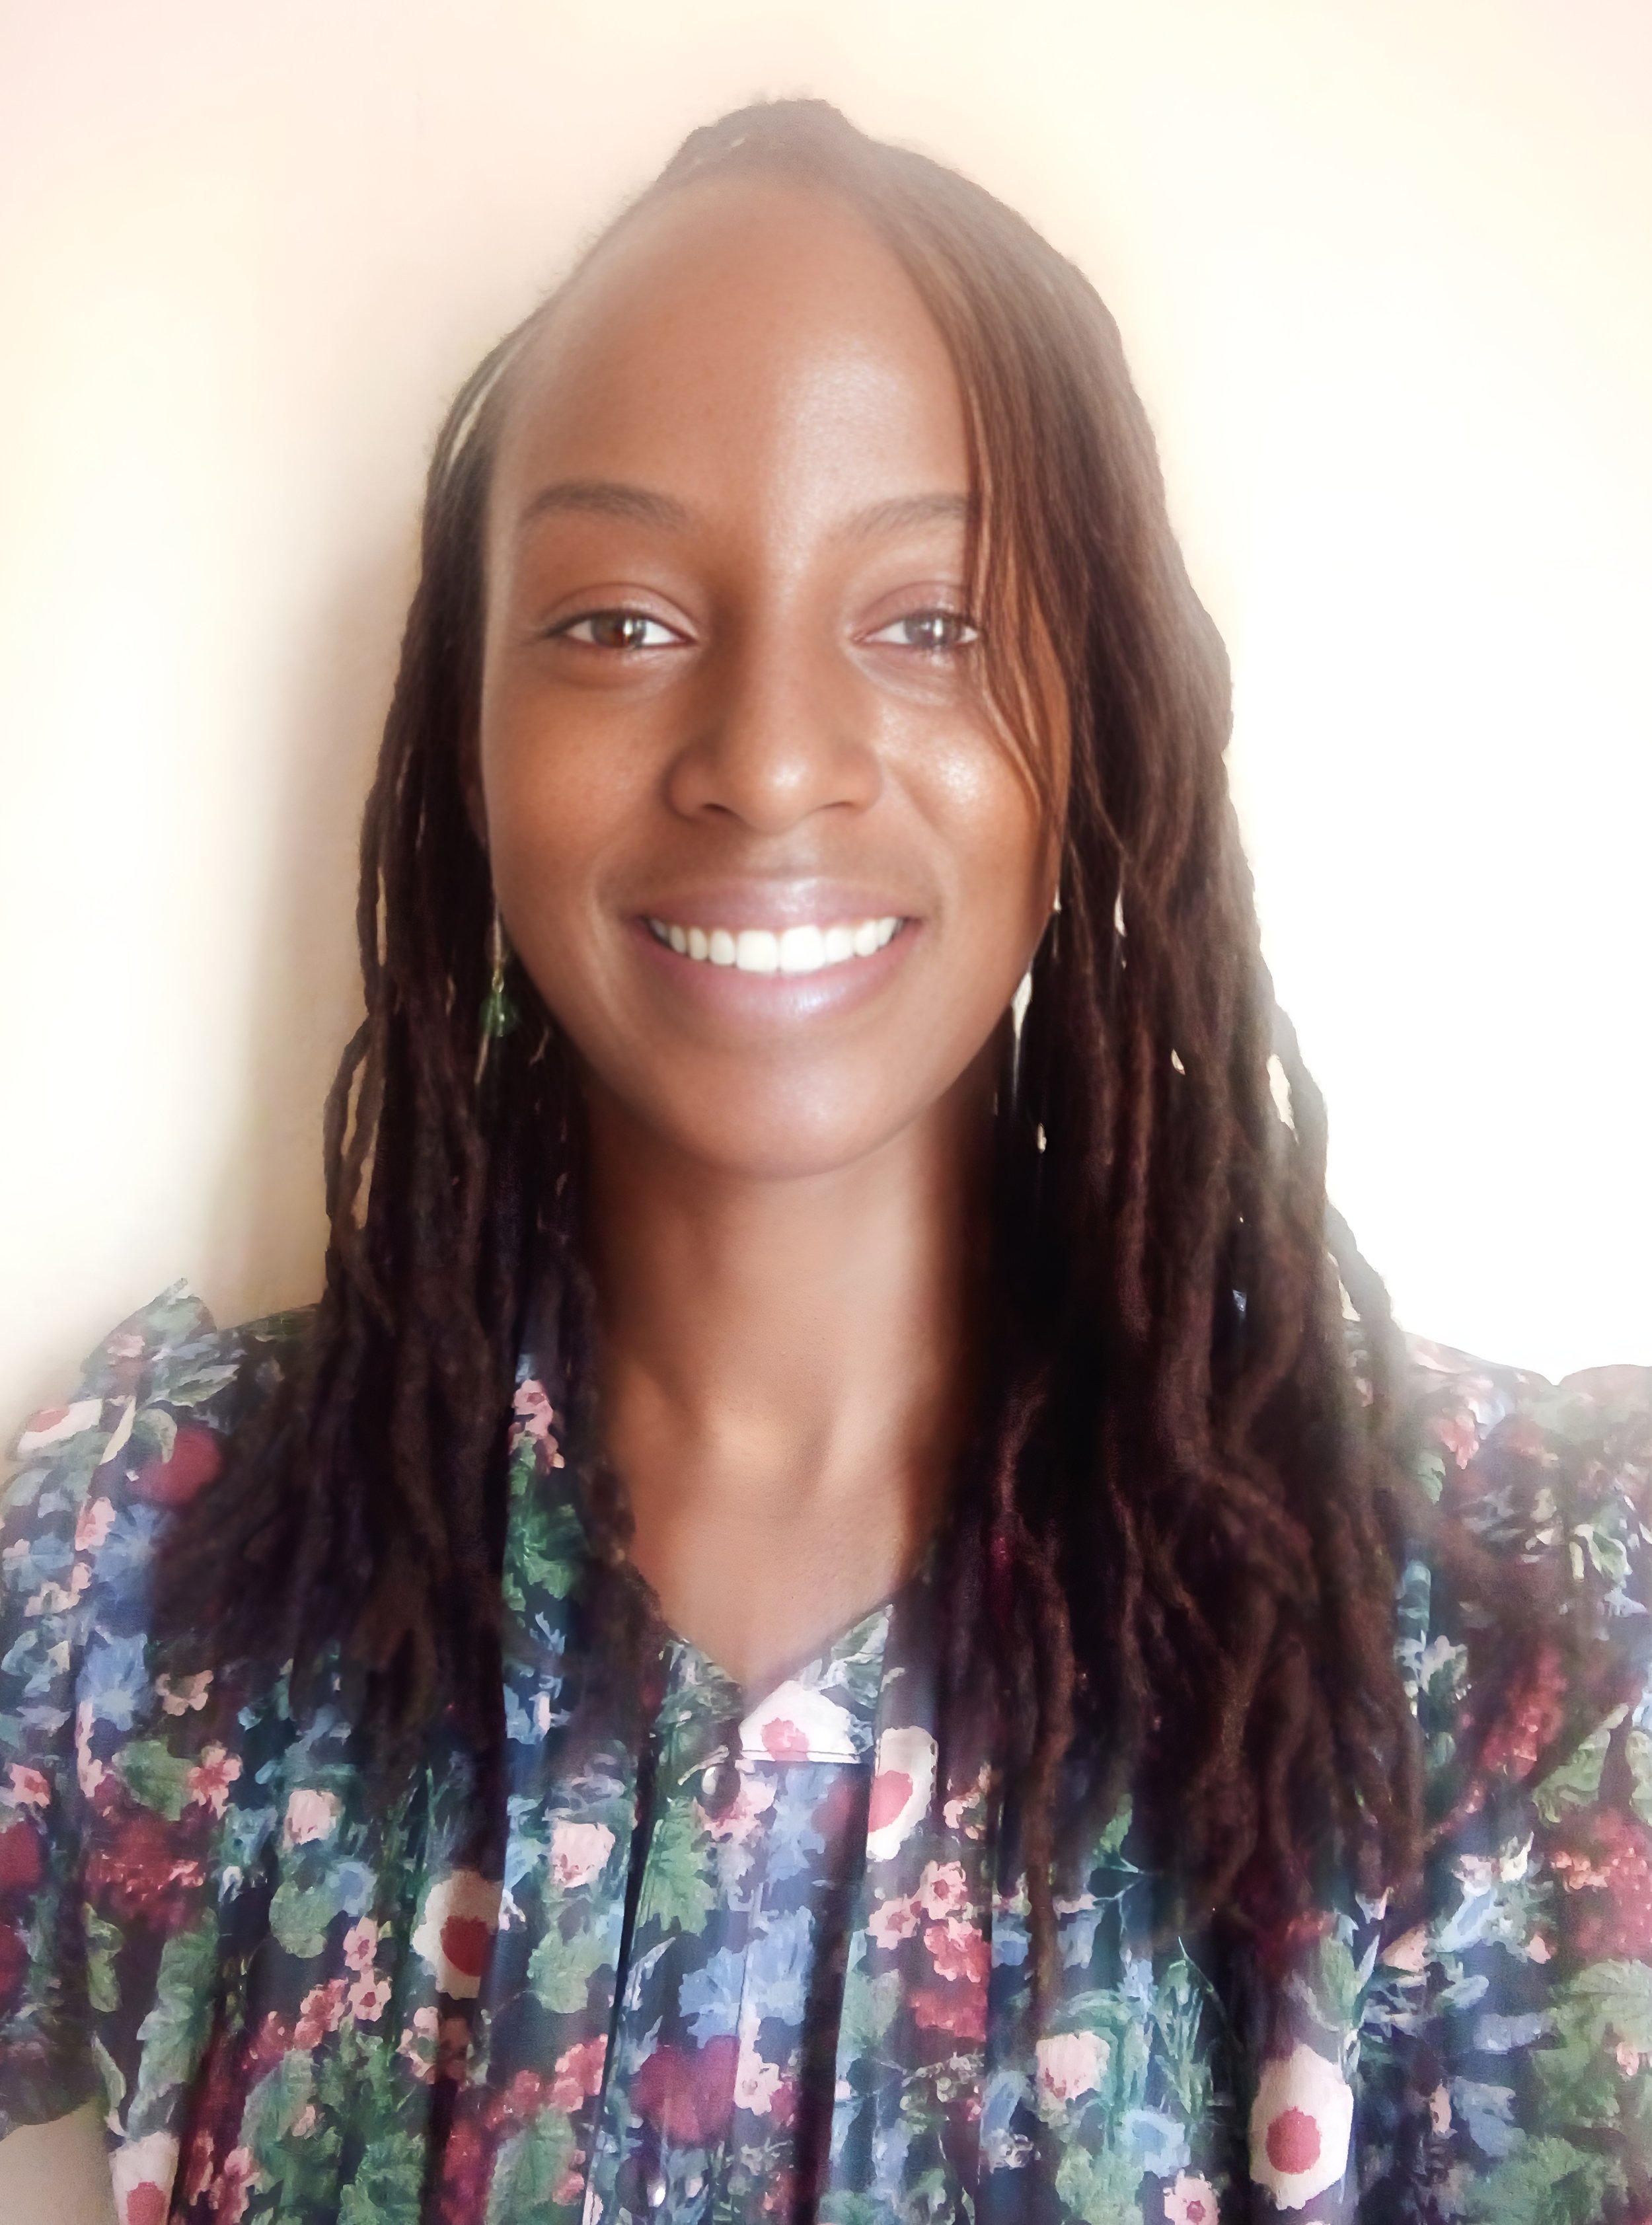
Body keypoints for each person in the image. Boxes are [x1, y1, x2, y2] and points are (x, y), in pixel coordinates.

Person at [1, 99, 1648, 2225]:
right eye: (612, 621)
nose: (768, 756)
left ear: (1105, 729)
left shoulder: (1519, 1634)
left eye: (932, 620)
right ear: (461, 737)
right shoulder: (146, 1582)